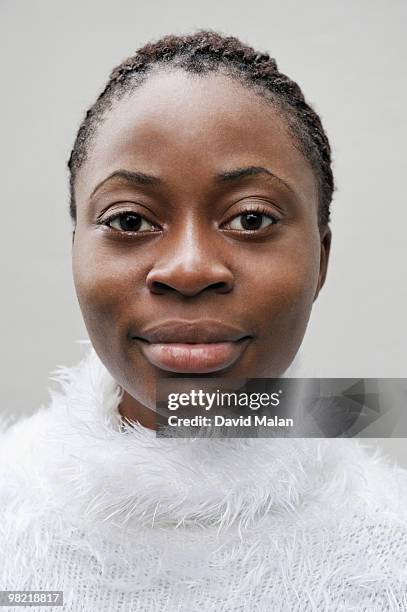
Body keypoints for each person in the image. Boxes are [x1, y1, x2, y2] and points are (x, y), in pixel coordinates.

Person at [1, 30, 406, 611]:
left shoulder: (394, 550)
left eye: (250, 220)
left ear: (321, 259)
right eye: (131, 222)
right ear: (75, 254)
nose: (189, 270)